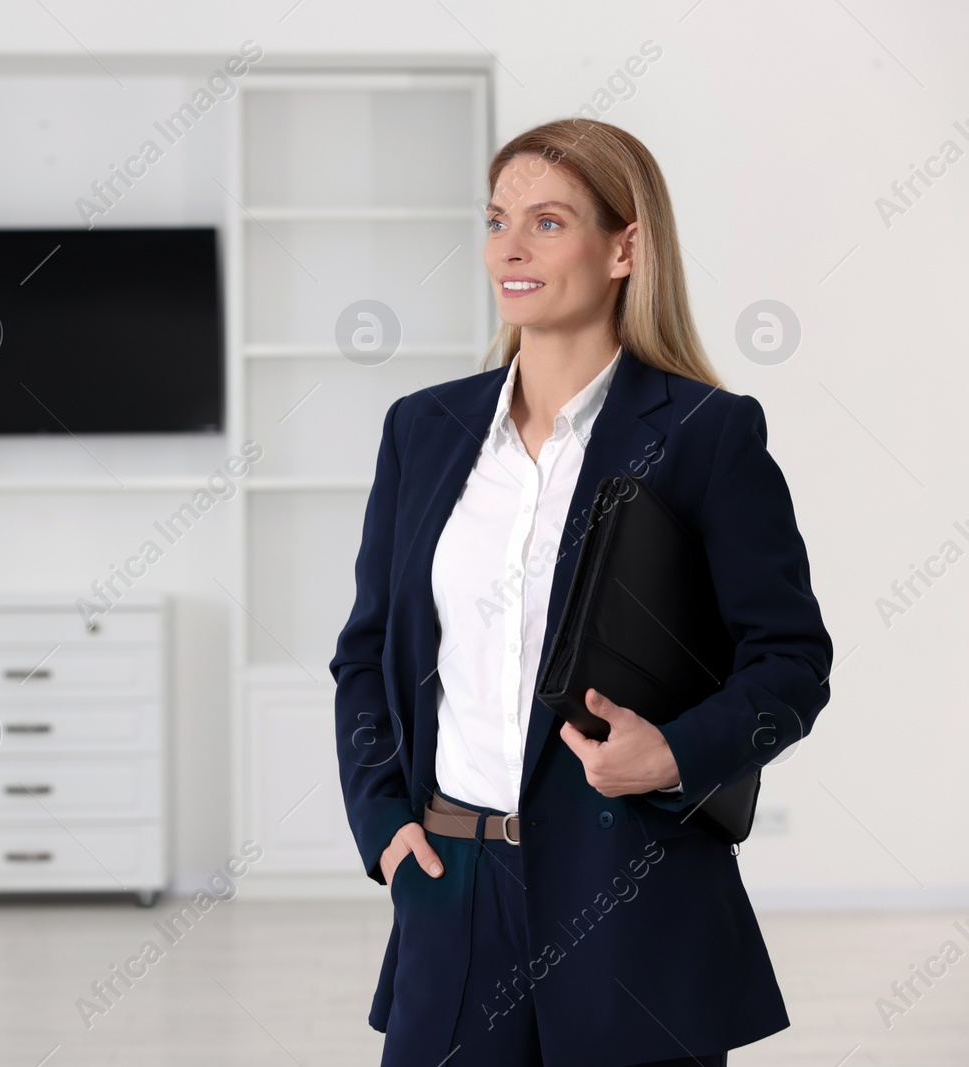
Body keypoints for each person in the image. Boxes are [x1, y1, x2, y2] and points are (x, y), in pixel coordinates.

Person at [330, 118, 833, 1067]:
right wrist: (384, 822)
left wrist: (675, 754)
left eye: (548, 222)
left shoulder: (706, 434)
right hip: (451, 888)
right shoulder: (423, 432)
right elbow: (366, 652)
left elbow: (793, 663)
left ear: (625, 247)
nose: (509, 248)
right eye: (496, 219)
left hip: (632, 900)